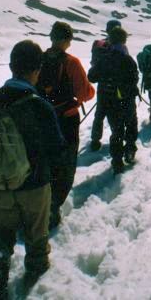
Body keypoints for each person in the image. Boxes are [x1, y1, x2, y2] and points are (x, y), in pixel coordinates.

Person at [0, 40, 65, 298]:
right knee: (37, 235)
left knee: (2, 231)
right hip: (34, 185)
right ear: (37, 69)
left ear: (12, 66)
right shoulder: (39, 105)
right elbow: (57, 149)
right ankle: (34, 279)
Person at [37, 21, 95, 229]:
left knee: (43, 159)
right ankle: (53, 207)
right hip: (66, 119)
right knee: (66, 163)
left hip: (41, 118)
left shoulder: (39, 59)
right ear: (68, 40)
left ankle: (37, 201)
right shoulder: (71, 62)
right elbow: (84, 93)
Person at [87, 27, 139, 174]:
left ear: (110, 39)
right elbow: (134, 79)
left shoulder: (104, 58)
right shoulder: (128, 59)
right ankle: (130, 150)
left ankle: (117, 161)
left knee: (116, 130)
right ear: (124, 40)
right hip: (127, 99)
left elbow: (91, 77)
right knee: (130, 124)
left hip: (109, 99)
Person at [90, 19, 128, 151]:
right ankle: (117, 140)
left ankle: (95, 140)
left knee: (100, 112)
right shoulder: (121, 47)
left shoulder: (98, 44)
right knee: (115, 113)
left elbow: (93, 64)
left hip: (102, 83)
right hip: (117, 86)